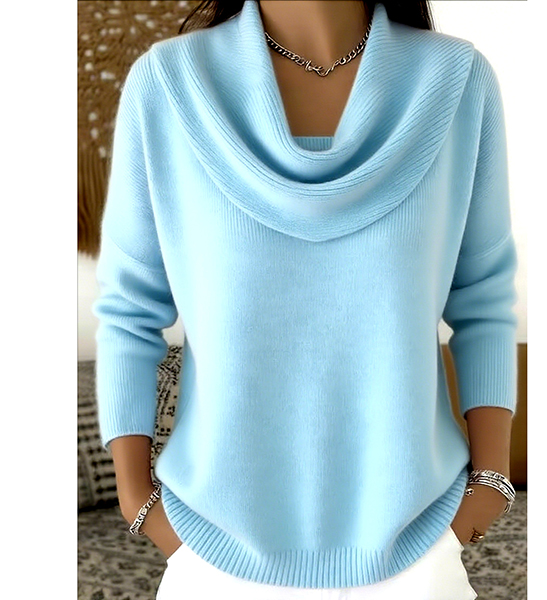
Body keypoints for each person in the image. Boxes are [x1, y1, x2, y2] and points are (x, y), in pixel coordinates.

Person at [93, 1, 519, 598]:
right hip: (213, 555)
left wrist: (491, 484)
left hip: (418, 550)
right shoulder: (167, 86)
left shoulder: (458, 83)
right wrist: (137, 499)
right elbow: (129, 311)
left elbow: (484, 297)